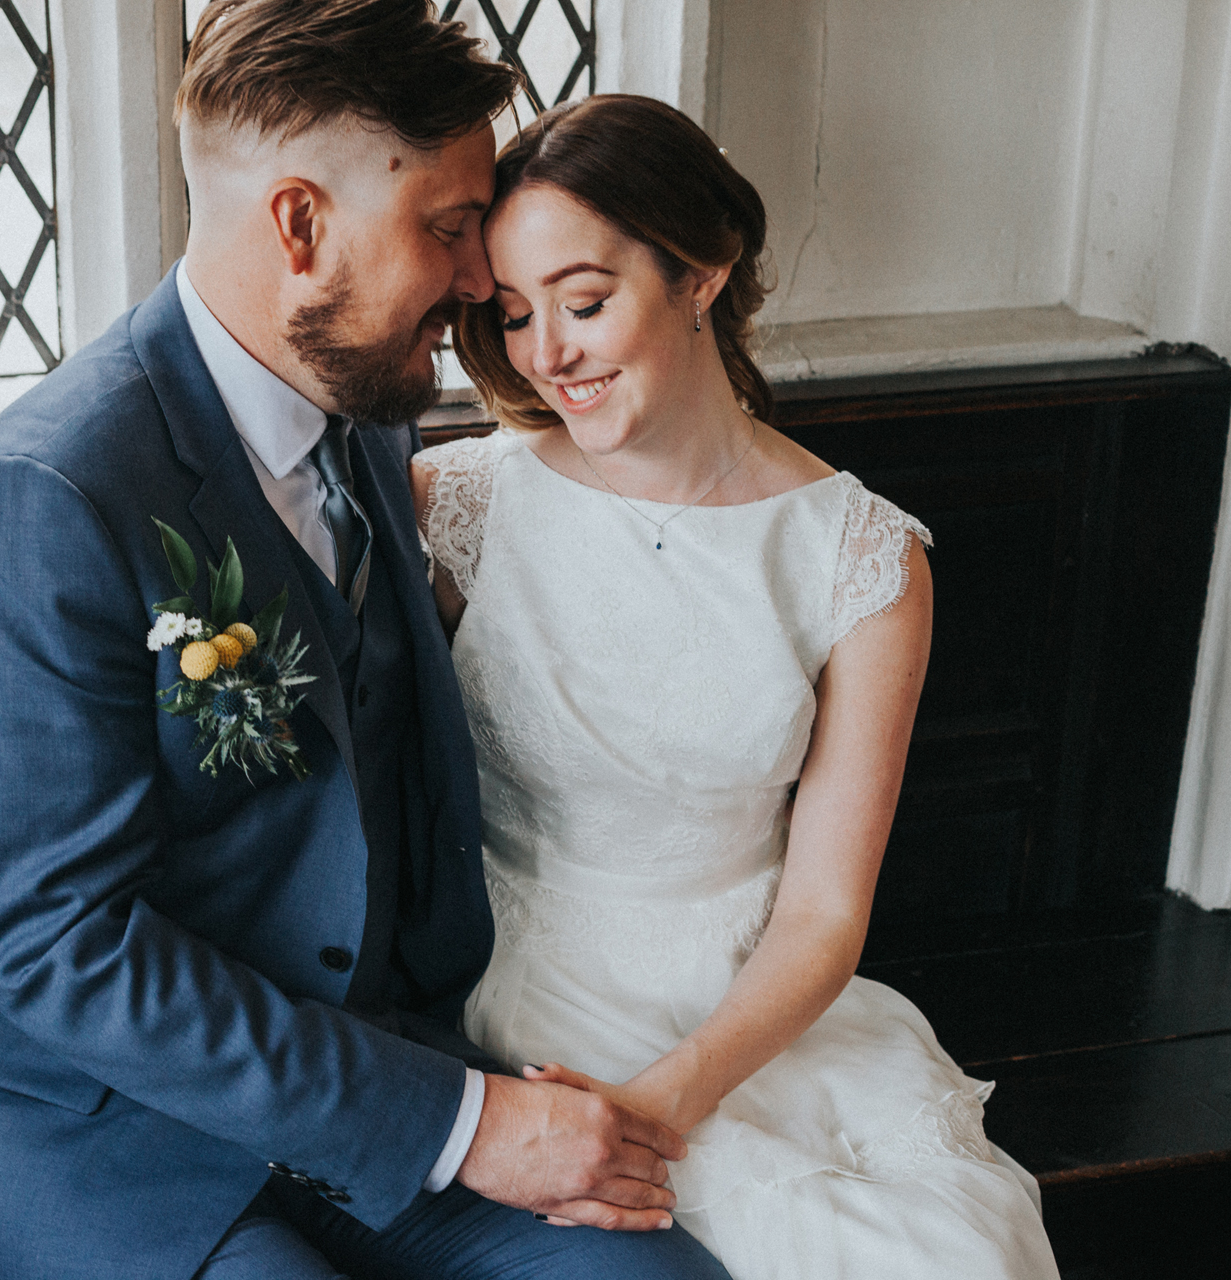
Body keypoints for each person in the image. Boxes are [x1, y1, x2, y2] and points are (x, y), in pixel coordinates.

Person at [0, 5, 733, 1279]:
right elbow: (61, 948)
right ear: (301, 225)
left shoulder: (366, 417)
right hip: (74, 1119)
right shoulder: (46, 499)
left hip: (350, 1060)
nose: (482, 279)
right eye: (448, 226)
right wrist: (469, 1120)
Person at [414, 94, 1063, 1278]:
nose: (545, 351)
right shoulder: (463, 503)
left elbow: (823, 911)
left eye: (586, 299)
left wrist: (674, 1093)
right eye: (512, 314)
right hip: (510, 984)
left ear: (702, 271)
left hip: (749, 1011)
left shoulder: (863, 559)